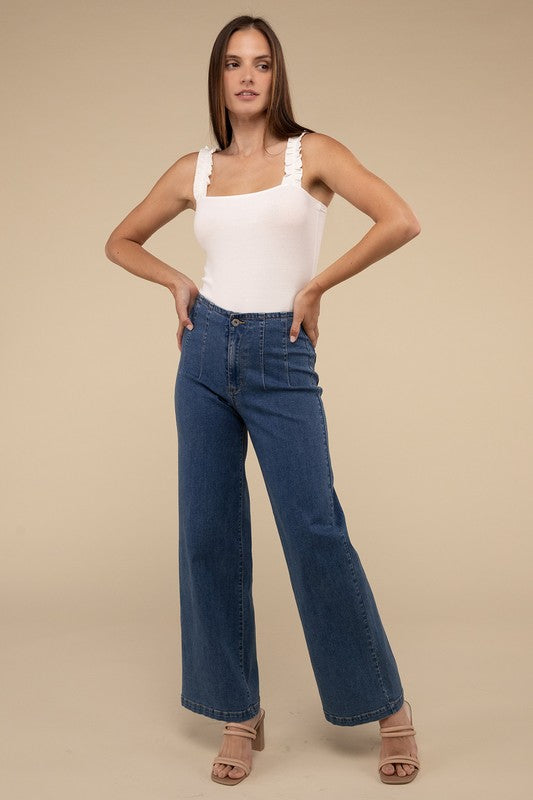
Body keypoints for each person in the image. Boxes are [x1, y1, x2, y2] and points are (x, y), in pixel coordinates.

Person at [105, 14, 422, 787]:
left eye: (262, 64)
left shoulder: (312, 155)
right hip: (206, 352)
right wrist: (177, 282)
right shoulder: (195, 170)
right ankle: (236, 713)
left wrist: (316, 284)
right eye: (233, 64)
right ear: (217, 79)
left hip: (281, 354)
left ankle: (389, 708)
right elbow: (121, 240)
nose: (247, 76)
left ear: (278, 78)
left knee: (314, 529)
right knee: (208, 535)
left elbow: (399, 219)